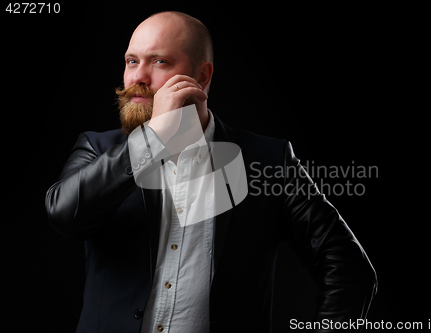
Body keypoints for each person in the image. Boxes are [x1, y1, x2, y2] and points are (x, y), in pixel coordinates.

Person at [45, 11, 377, 333]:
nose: (137, 78)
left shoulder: (268, 161)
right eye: (132, 61)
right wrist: (154, 139)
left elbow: (348, 265)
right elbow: (63, 214)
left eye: (159, 61)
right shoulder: (97, 149)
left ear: (202, 77)